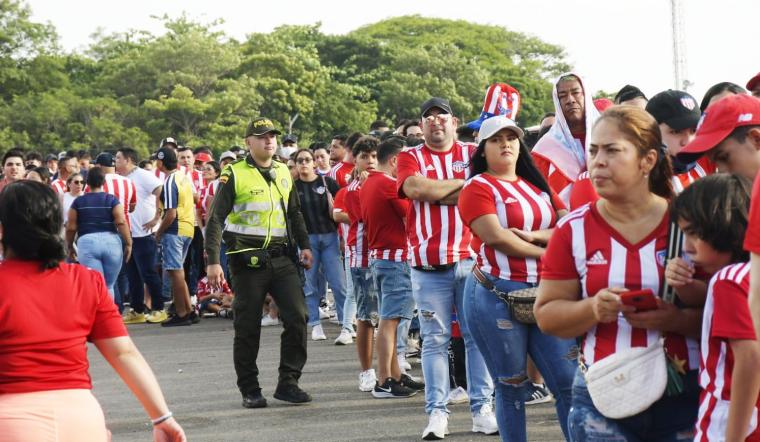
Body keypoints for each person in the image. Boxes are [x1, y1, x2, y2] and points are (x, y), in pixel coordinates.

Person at [534, 105, 702, 441]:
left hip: (683, 393)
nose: (597, 161)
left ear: (647, 160)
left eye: (613, 150)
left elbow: (732, 309)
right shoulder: (572, 229)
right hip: (602, 390)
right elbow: (547, 315)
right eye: (594, 150)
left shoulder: (689, 223)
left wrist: (675, 320)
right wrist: (593, 308)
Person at [0, 181, 185, 442]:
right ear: (57, 225)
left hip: (11, 419)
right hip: (81, 417)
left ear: (2, 230)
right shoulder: (86, 281)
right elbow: (124, 353)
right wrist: (162, 417)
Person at [458, 116, 575, 441]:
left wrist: (534, 235)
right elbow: (497, 238)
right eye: (496, 139)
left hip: (546, 294)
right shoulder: (476, 186)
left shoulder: (536, 185)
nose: (506, 143)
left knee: (568, 383)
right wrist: (548, 251)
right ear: (482, 149)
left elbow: (567, 227)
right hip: (496, 296)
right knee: (510, 386)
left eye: (511, 137)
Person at [397, 97, 496, 440]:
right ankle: (437, 414)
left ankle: (482, 408)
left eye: (442, 116)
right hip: (427, 264)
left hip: (470, 260)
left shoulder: (472, 152)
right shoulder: (411, 156)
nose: (435, 122)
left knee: (476, 338)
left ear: (455, 122)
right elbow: (415, 188)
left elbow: (488, 190)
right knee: (433, 341)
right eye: (429, 117)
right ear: (421, 125)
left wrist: (438, 192)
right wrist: (466, 188)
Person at [205, 117, 314, 408]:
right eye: (261, 136)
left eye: (272, 136)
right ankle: (250, 389)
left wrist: (305, 245)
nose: (268, 140)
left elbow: (294, 213)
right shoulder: (234, 174)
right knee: (248, 324)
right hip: (246, 261)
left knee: (298, 316)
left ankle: (288, 382)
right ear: (248, 143)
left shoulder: (282, 171)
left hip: (281, 258)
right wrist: (213, 260)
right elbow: (215, 219)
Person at [669, 174, 760, 441]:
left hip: (730, 418)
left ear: (724, 227)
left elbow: (750, 359)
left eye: (694, 233)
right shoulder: (748, 275)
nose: (687, 247)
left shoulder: (728, 281)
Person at [360, 138, 424, 399]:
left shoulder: (369, 182)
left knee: (390, 318)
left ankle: (395, 374)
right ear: (395, 160)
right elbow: (412, 212)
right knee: (391, 321)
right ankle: (385, 379)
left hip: (382, 257)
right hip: (395, 259)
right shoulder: (388, 185)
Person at [292, 148, 347, 342]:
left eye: (308, 159)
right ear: (296, 164)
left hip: (330, 237)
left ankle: (345, 322)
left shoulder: (327, 182)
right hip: (307, 241)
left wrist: (342, 236)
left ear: (314, 162)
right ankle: (315, 324)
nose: (304, 163)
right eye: (300, 160)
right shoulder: (292, 187)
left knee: (339, 284)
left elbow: (343, 205)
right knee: (310, 284)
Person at [344, 136, 383, 390]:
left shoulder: (384, 184)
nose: (370, 162)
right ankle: (367, 371)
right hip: (364, 257)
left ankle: (393, 368)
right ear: (355, 161)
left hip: (388, 258)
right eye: (364, 157)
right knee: (366, 317)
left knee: (390, 317)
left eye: (374, 157)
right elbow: (369, 219)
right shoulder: (353, 190)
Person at [532, 73, 601, 205]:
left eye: (576, 93)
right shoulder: (544, 150)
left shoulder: (609, 137)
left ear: (586, 95)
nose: (570, 100)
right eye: (562, 96)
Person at [115, 147, 167, 325]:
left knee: (148, 273)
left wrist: (157, 217)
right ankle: (137, 310)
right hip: (130, 234)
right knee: (133, 275)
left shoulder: (142, 175)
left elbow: (161, 191)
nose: (116, 162)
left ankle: (159, 308)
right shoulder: (123, 179)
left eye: (118, 158)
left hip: (144, 233)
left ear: (128, 160)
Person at [66, 167, 132, 300]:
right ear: (104, 183)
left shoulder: (78, 202)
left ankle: (95, 318)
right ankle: (110, 317)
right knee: (108, 286)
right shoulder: (112, 199)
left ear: (87, 183)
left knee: (95, 285)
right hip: (111, 242)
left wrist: (69, 247)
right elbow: (121, 221)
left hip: (87, 242)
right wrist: (129, 243)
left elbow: (71, 227)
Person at [155, 147, 197, 327]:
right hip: (187, 227)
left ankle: (182, 312)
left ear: (160, 163)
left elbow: (171, 213)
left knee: (175, 271)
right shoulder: (182, 177)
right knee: (178, 271)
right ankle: (188, 310)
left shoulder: (171, 180)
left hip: (175, 229)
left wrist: (158, 232)